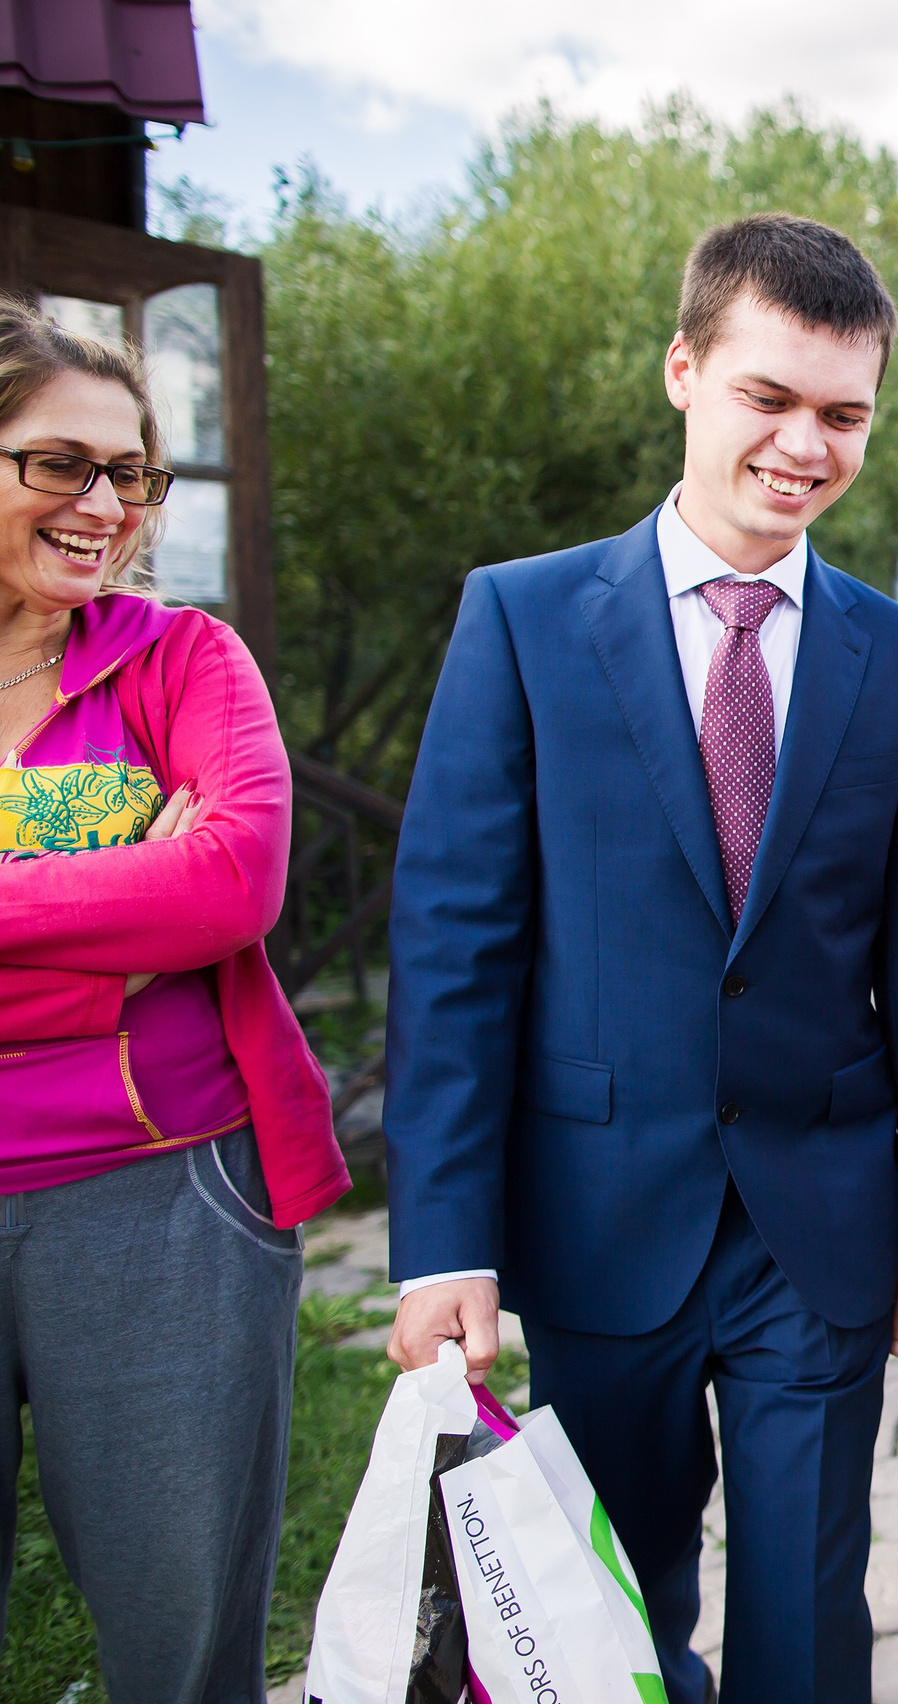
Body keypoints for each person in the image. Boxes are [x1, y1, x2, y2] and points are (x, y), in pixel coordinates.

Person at [381, 213, 898, 1704]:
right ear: (684, 371)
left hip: (820, 1228)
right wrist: (446, 1234)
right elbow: (455, 942)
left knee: (809, 1618)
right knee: (607, 1615)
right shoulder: (518, 619)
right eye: (768, 398)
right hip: (594, 1214)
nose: (805, 444)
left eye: (843, 414)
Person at [0, 302, 345, 1701]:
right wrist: (112, 928)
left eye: (132, 474)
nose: (104, 507)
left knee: (183, 1641)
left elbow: (231, 888)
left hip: (163, 1201)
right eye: (57, 464)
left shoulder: (185, 663)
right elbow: (167, 897)